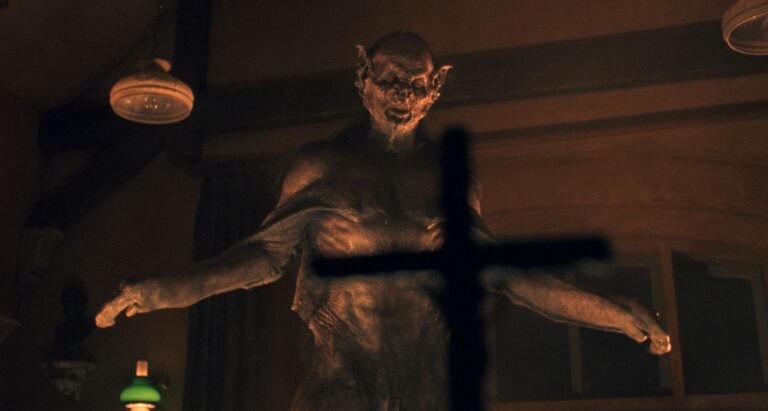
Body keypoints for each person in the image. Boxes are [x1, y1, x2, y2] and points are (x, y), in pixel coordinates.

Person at [96, 32, 671, 410]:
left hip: (430, 382)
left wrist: (615, 314)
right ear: (362, 76)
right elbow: (262, 257)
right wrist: (164, 291)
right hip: (342, 378)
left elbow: (505, 275)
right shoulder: (323, 167)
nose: (402, 95)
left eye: (415, 84)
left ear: (435, 89)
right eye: (390, 80)